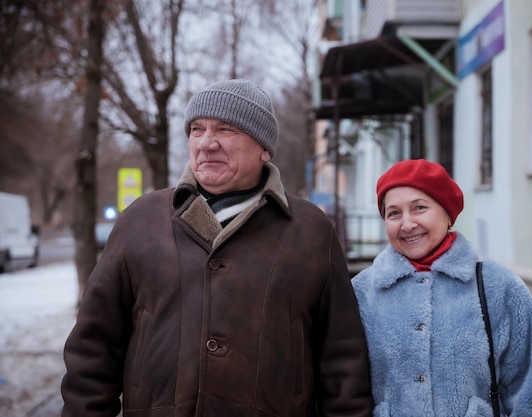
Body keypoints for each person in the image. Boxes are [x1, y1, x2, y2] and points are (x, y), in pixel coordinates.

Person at [61, 79, 374, 417]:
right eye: (197, 130)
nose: (207, 143)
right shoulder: (140, 220)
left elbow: (343, 360)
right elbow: (93, 347)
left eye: (225, 130)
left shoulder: (310, 230)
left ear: (264, 148)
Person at [351, 159, 532, 417]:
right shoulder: (361, 293)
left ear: (447, 214)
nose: (407, 223)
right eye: (394, 213)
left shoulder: (497, 287)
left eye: (419, 208)